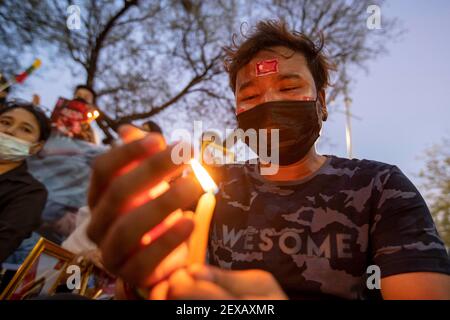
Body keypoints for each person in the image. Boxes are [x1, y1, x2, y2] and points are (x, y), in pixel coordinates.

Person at [86, 20, 450, 300]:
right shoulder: (203, 188)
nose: (269, 105)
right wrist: (139, 275)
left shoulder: (380, 188)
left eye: (290, 88)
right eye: (250, 96)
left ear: (321, 102)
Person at [0, 100, 51, 264]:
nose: (10, 131)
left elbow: (5, 241)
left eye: (25, 129)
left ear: (36, 147)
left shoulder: (30, 192)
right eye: (5, 122)